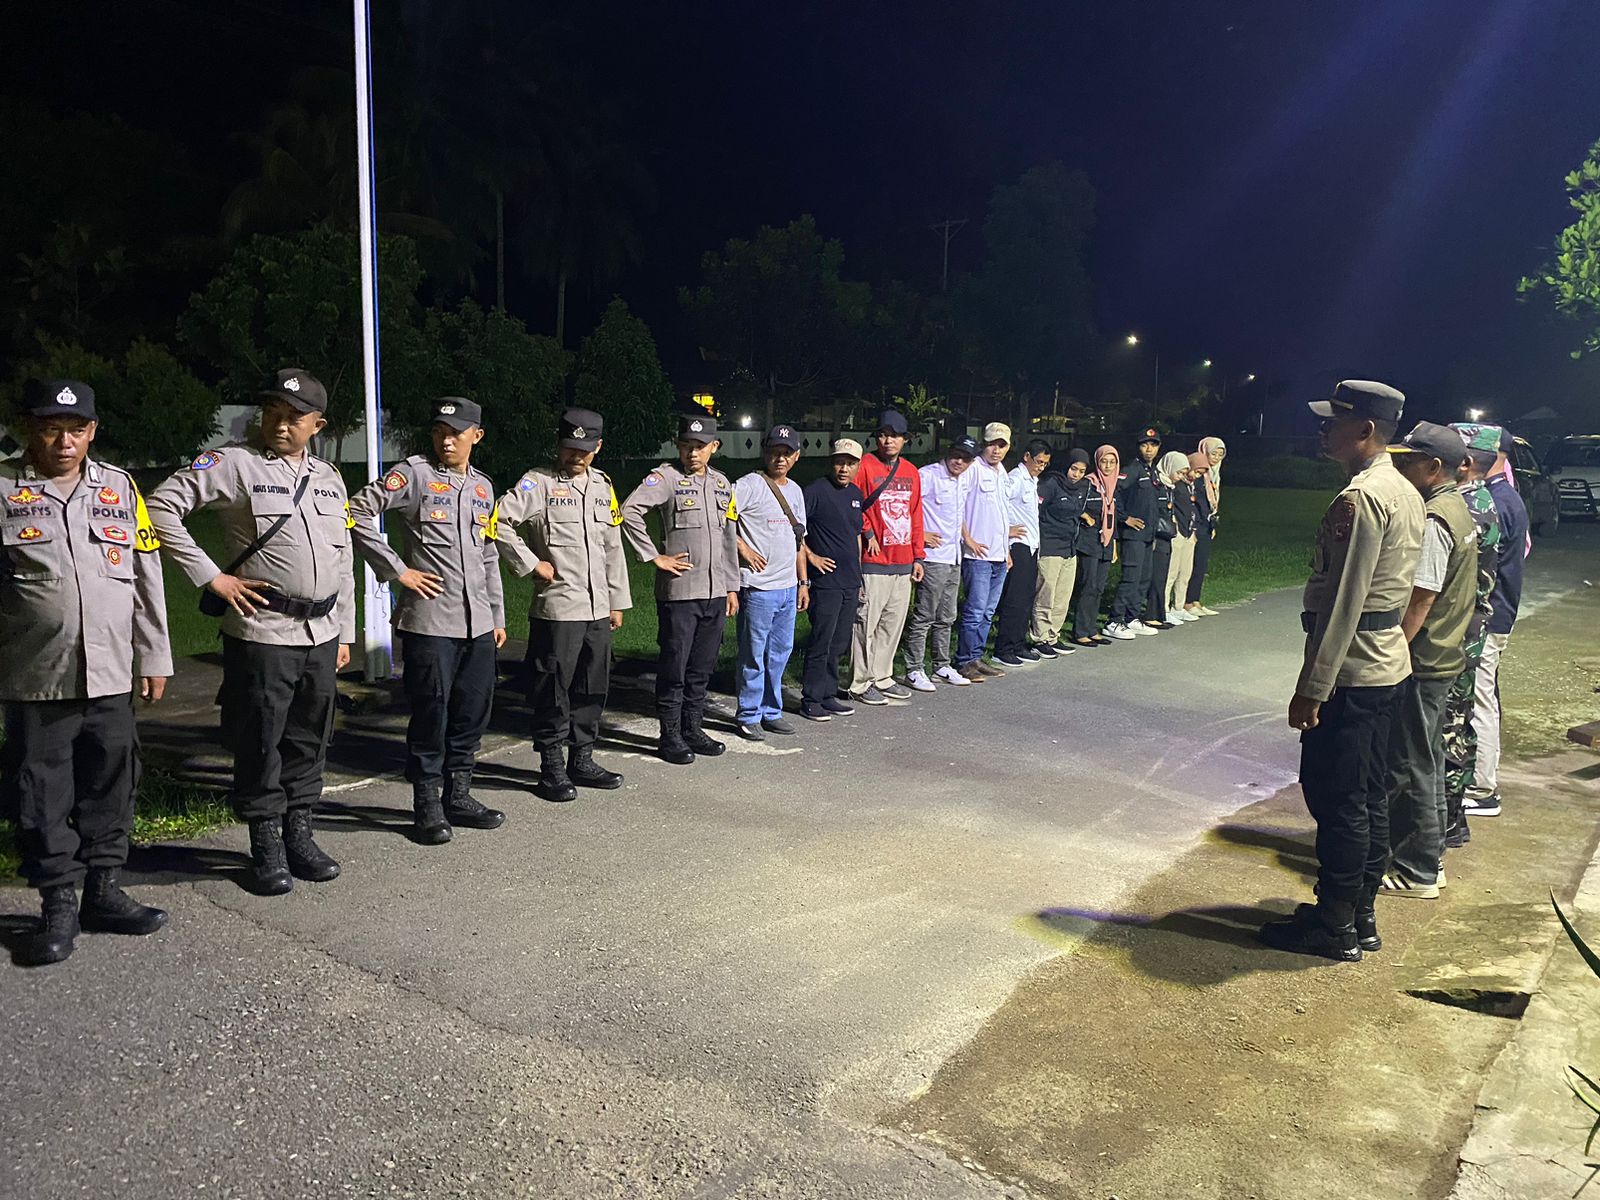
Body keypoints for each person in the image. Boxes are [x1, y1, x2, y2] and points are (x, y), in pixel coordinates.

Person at [148, 368, 355, 896]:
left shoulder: (329, 477)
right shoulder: (234, 463)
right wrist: (211, 577)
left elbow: (343, 557)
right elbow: (160, 506)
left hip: (322, 631)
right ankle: (265, 846)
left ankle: (299, 835)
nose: (280, 425)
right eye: (272, 414)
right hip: (264, 630)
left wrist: (347, 629)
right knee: (261, 738)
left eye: (293, 418)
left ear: (317, 425)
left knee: (310, 736)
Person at [1, 379, 172, 966]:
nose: (64, 442)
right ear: (30, 428)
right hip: (36, 674)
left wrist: (155, 655)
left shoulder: (120, 487)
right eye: (51, 429)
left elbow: (146, 575)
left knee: (111, 782)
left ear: (93, 431)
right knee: (42, 791)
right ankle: (57, 905)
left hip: (112, 671)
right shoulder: (3, 488)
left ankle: (104, 892)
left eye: (76, 429)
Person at [1260, 380, 1422, 962]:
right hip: (1385, 665)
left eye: (1334, 421)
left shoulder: (1364, 497)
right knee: (1368, 797)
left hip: (1353, 671)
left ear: (1365, 430)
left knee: (1338, 800)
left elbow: (1344, 600)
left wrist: (1313, 686)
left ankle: (1335, 924)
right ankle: (1358, 914)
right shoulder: (1403, 490)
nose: (1324, 429)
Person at [347, 396, 507, 845]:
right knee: (431, 713)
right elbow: (356, 510)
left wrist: (496, 614)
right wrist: (397, 570)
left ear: (477, 436)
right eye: (439, 432)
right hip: (431, 621)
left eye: (455, 433)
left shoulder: (483, 487)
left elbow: (488, 554)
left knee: (472, 711)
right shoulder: (414, 474)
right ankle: (427, 804)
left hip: (478, 623)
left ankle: (459, 795)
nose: (446, 440)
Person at [493, 408, 631, 802]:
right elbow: (498, 521)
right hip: (558, 608)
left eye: (585, 449)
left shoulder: (603, 486)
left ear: (598, 447)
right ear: (559, 444)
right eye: (570, 447)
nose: (576, 455)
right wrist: (530, 563)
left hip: (597, 608)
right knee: (552, 688)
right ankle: (551, 767)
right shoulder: (538, 483)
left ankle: (582, 759)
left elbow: (612, 546)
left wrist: (617, 601)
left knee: (592, 685)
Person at [1378, 422, 1477, 899]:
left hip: (1424, 657)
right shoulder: (1458, 508)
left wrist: (1394, 650)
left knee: (1411, 763)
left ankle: (1415, 869)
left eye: (1409, 461)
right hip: (1444, 653)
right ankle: (1429, 859)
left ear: (1434, 467)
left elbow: (1421, 597)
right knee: (1429, 761)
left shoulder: (1437, 518)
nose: (1401, 468)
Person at [621, 415, 740, 764]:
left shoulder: (722, 483)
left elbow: (728, 538)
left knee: (702, 668)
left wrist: (732, 587)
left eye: (700, 446)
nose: (693, 453)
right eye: (686, 445)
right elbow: (629, 511)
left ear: (714, 447)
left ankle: (693, 728)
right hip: (681, 593)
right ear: (678, 445)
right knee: (675, 666)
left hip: (715, 593)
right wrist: (654, 556)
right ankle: (670, 735)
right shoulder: (666, 479)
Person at [1440, 423, 1504, 845]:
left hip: (1458, 632)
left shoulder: (1467, 509)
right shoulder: (1480, 500)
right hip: (1470, 628)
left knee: (1447, 728)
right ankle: (1453, 819)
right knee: (1458, 725)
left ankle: (1444, 822)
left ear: (1464, 463)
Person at [1462, 427, 1528, 819]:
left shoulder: (1496, 501)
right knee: (1483, 696)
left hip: (1490, 614)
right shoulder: (1506, 495)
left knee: (1479, 700)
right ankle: (1478, 782)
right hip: (1498, 612)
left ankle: (1482, 790)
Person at [731, 425, 808, 740]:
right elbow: (721, 517)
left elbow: (799, 539)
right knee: (754, 655)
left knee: (779, 654)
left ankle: (771, 711)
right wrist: (743, 548)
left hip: (787, 588)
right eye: (774, 452)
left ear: (796, 456)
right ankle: (748, 714)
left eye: (786, 453)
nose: (780, 458)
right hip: (758, 588)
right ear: (765, 453)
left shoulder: (796, 491)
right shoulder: (749, 485)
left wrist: (803, 582)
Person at [849, 411, 925, 705]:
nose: (888, 440)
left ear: (904, 439)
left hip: (903, 560)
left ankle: (882, 676)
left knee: (892, 624)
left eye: (894, 436)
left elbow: (915, 514)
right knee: (865, 623)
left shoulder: (911, 471)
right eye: (882, 435)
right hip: (874, 561)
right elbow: (852, 505)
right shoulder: (865, 466)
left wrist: (918, 556)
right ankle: (860, 682)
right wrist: (867, 531)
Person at [902, 436, 979, 689]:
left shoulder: (965, 478)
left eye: (966, 459)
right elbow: (905, 507)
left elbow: (959, 514)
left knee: (947, 615)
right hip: (932, 557)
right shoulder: (928, 475)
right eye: (956, 455)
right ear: (948, 452)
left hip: (954, 555)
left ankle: (941, 665)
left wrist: (967, 539)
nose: (959, 462)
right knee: (925, 614)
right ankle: (914, 668)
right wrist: (920, 534)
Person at [799, 439, 866, 721]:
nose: (844, 468)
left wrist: (859, 576)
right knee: (821, 641)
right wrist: (811, 557)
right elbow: (796, 532)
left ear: (857, 466)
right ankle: (811, 698)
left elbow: (856, 535)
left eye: (850, 463)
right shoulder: (815, 491)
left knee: (839, 642)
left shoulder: (856, 494)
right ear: (832, 462)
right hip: (826, 581)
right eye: (840, 462)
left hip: (850, 580)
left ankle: (828, 694)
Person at [955, 423, 1016, 680]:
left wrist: (1007, 551)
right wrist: (967, 538)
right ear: (984, 444)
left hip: (999, 555)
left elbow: (1003, 514)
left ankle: (977, 657)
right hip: (978, 556)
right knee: (975, 610)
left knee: (988, 611)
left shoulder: (1002, 472)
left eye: (1002, 445)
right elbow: (957, 504)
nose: (996, 450)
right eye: (992, 444)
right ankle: (964, 660)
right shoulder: (973, 469)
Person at [993, 439, 1053, 665]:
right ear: (1026, 456)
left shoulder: (1031, 480)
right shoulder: (1016, 478)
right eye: (1038, 461)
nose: (1041, 467)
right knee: (1015, 599)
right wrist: (1006, 529)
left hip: (1031, 545)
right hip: (1017, 545)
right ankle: (1004, 648)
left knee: (1026, 598)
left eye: (1045, 463)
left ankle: (1018, 644)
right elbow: (998, 503)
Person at [1033, 448, 1092, 653]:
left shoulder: (1083, 487)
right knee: (1046, 595)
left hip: (1069, 547)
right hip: (1050, 545)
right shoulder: (1050, 483)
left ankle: (1053, 636)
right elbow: (1037, 511)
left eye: (1081, 471)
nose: (1076, 474)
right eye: (1073, 469)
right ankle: (1040, 638)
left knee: (1062, 596)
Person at [1105, 427, 1163, 639]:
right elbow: (1115, 493)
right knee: (1131, 578)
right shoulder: (1132, 469)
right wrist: (1125, 518)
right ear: (1138, 447)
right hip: (1133, 535)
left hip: (1148, 535)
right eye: (1144, 445)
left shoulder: (1152, 471)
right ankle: (1114, 620)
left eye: (1153, 445)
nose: (1149, 449)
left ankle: (1132, 617)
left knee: (1144, 579)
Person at [1070, 445, 1119, 648]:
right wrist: (1084, 515)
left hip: (1106, 542)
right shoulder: (1088, 483)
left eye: (1112, 462)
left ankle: (1092, 629)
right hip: (1089, 541)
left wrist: (1114, 544)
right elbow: (1072, 503)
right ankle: (1080, 631)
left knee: (1099, 587)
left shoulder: (1114, 484)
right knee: (1088, 586)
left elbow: (1113, 516)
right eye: (1103, 462)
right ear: (1097, 462)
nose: (1107, 466)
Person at [1139, 449, 1184, 629]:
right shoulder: (1157, 484)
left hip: (1166, 536)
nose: (1180, 477)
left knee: (1162, 577)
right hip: (1157, 536)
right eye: (1179, 472)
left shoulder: (1169, 487)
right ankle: (1150, 614)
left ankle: (1159, 614)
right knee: (1155, 577)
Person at [1184, 435, 1226, 617]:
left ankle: (1196, 600)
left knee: (1201, 564)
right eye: (1213, 453)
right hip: (1196, 524)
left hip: (1207, 524)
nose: (1216, 458)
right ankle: (1186, 602)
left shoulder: (1214, 475)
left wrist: (1212, 523)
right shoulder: (1197, 474)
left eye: (1220, 455)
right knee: (1192, 564)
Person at [1164, 454, 1201, 622]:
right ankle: (1164, 608)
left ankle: (1178, 606)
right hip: (1178, 531)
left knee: (1185, 572)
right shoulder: (1176, 486)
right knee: (1171, 572)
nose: (1196, 476)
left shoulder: (1191, 487)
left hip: (1189, 532)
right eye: (1195, 471)